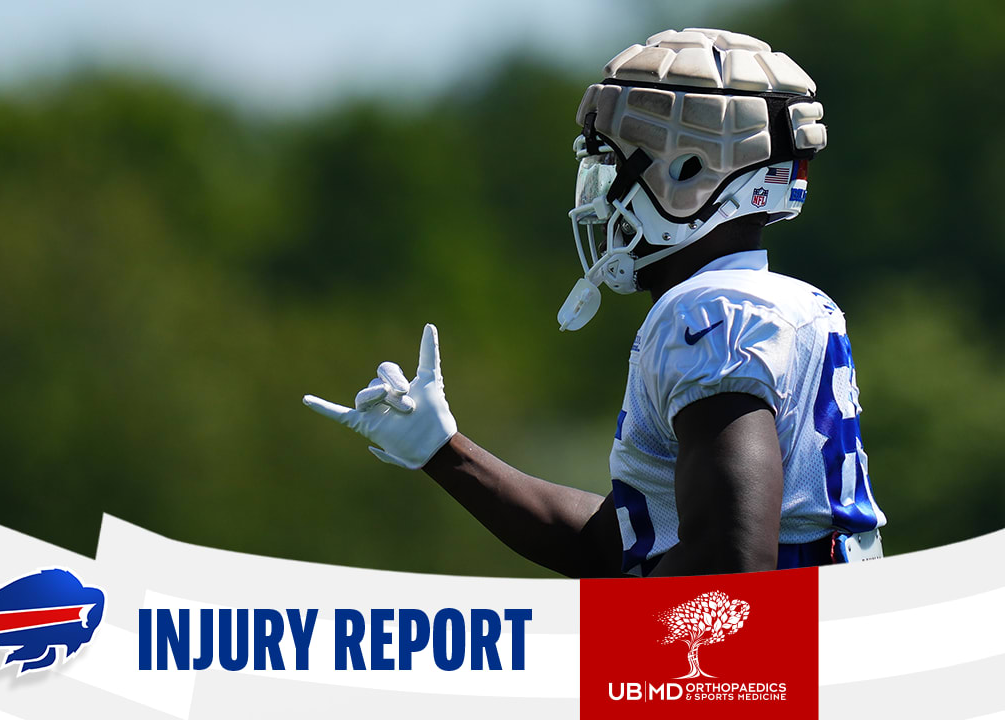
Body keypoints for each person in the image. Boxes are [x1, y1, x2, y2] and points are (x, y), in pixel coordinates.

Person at [303, 28, 885, 577]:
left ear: (688, 173)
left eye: (617, 169)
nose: (603, 199)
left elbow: (728, 564)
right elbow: (621, 542)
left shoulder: (708, 313)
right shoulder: (796, 304)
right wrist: (444, 452)